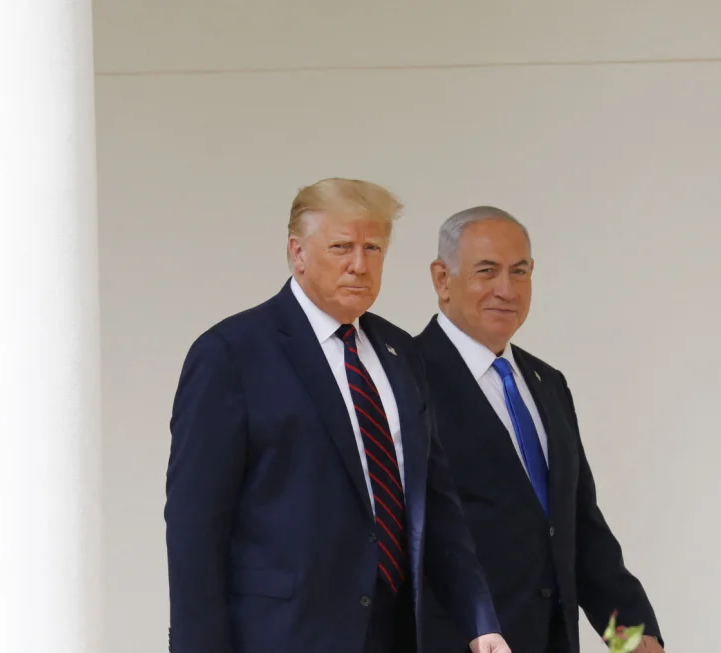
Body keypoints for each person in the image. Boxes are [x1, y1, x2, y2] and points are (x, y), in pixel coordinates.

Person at [164, 180, 511, 653]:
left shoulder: (401, 353)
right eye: (341, 247)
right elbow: (195, 529)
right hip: (282, 635)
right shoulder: (231, 354)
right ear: (297, 252)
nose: (359, 265)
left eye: (373, 248)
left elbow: (434, 499)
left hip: (393, 634)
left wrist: (479, 620)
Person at [416, 207, 664, 653]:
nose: (506, 290)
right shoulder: (404, 380)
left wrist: (628, 633)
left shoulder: (546, 383)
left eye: (520, 271)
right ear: (441, 278)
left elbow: (576, 526)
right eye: (486, 271)